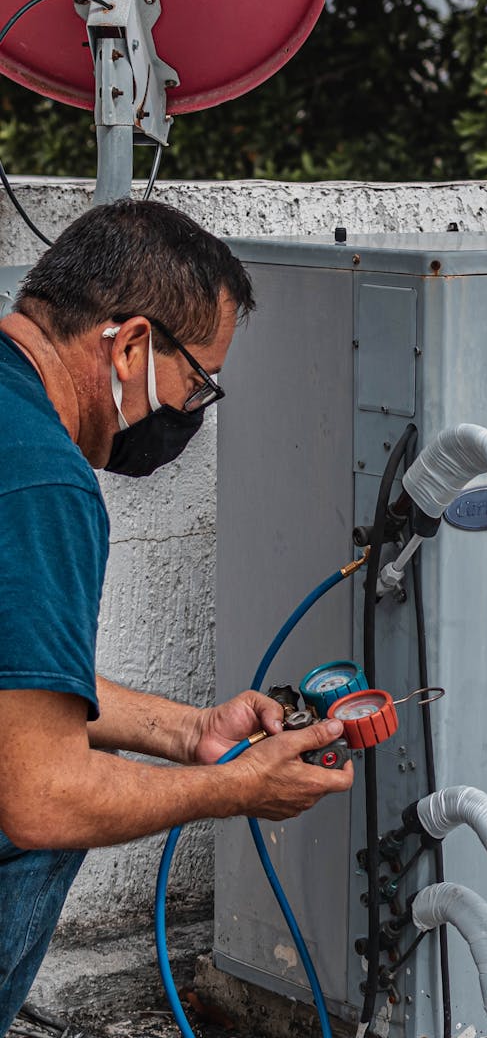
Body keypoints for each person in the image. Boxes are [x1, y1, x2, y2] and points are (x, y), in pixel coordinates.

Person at [0, 198, 353, 1033]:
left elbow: (20, 682)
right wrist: (232, 786)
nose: (192, 411)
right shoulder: (42, 482)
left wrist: (190, 731)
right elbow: (40, 795)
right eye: (197, 381)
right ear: (128, 345)